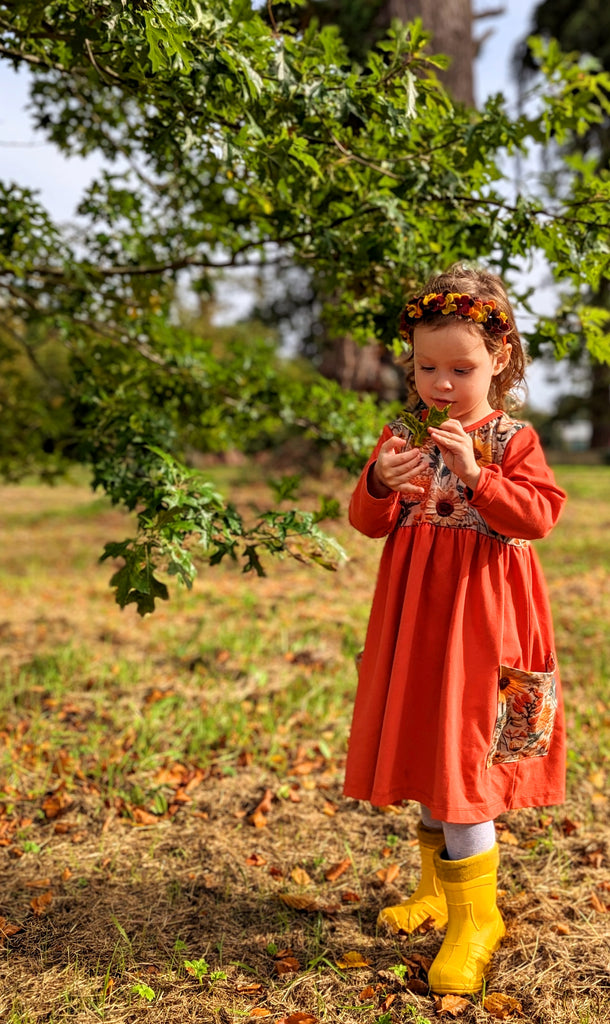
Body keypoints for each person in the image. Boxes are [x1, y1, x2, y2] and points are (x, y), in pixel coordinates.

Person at [343, 264, 566, 995]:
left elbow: (538, 517)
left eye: (460, 368)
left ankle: (479, 917)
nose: (440, 383)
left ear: (499, 360)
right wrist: (381, 481)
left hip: (486, 624)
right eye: (426, 366)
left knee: (467, 755)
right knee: (427, 743)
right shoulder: (405, 430)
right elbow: (366, 521)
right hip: (419, 620)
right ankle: (436, 892)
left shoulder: (510, 437)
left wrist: (479, 476)